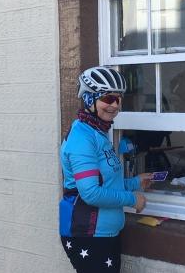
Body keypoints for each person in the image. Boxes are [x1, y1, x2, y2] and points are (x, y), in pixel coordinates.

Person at [59, 66, 151, 273]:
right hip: (89, 234)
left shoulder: (97, 133)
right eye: (108, 99)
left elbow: (106, 183)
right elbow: (91, 193)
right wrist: (132, 199)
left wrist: (136, 182)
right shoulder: (83, 138)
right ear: (90, 99)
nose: (115, 106)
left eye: (119, 99)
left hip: (103, 234)